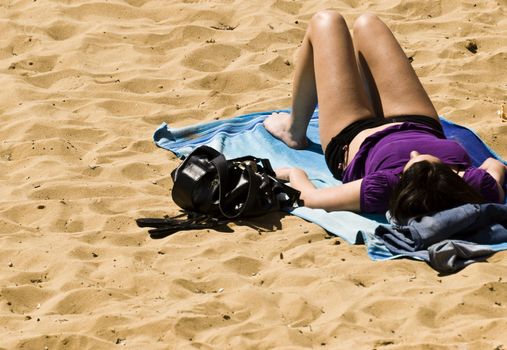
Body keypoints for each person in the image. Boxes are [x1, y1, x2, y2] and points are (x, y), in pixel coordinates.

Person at [263, 11, 505, 223]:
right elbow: (495, 165)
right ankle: (368, 92)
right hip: (419, 122)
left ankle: (294, 131)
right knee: (368, 23)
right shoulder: (475, 185)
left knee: (327, 21)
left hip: (353, 133)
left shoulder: (383, 188)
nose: (413, 153)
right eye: (426, 161)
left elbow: (312, 199)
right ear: (450, 178)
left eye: (411, 163)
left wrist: (293, 174)